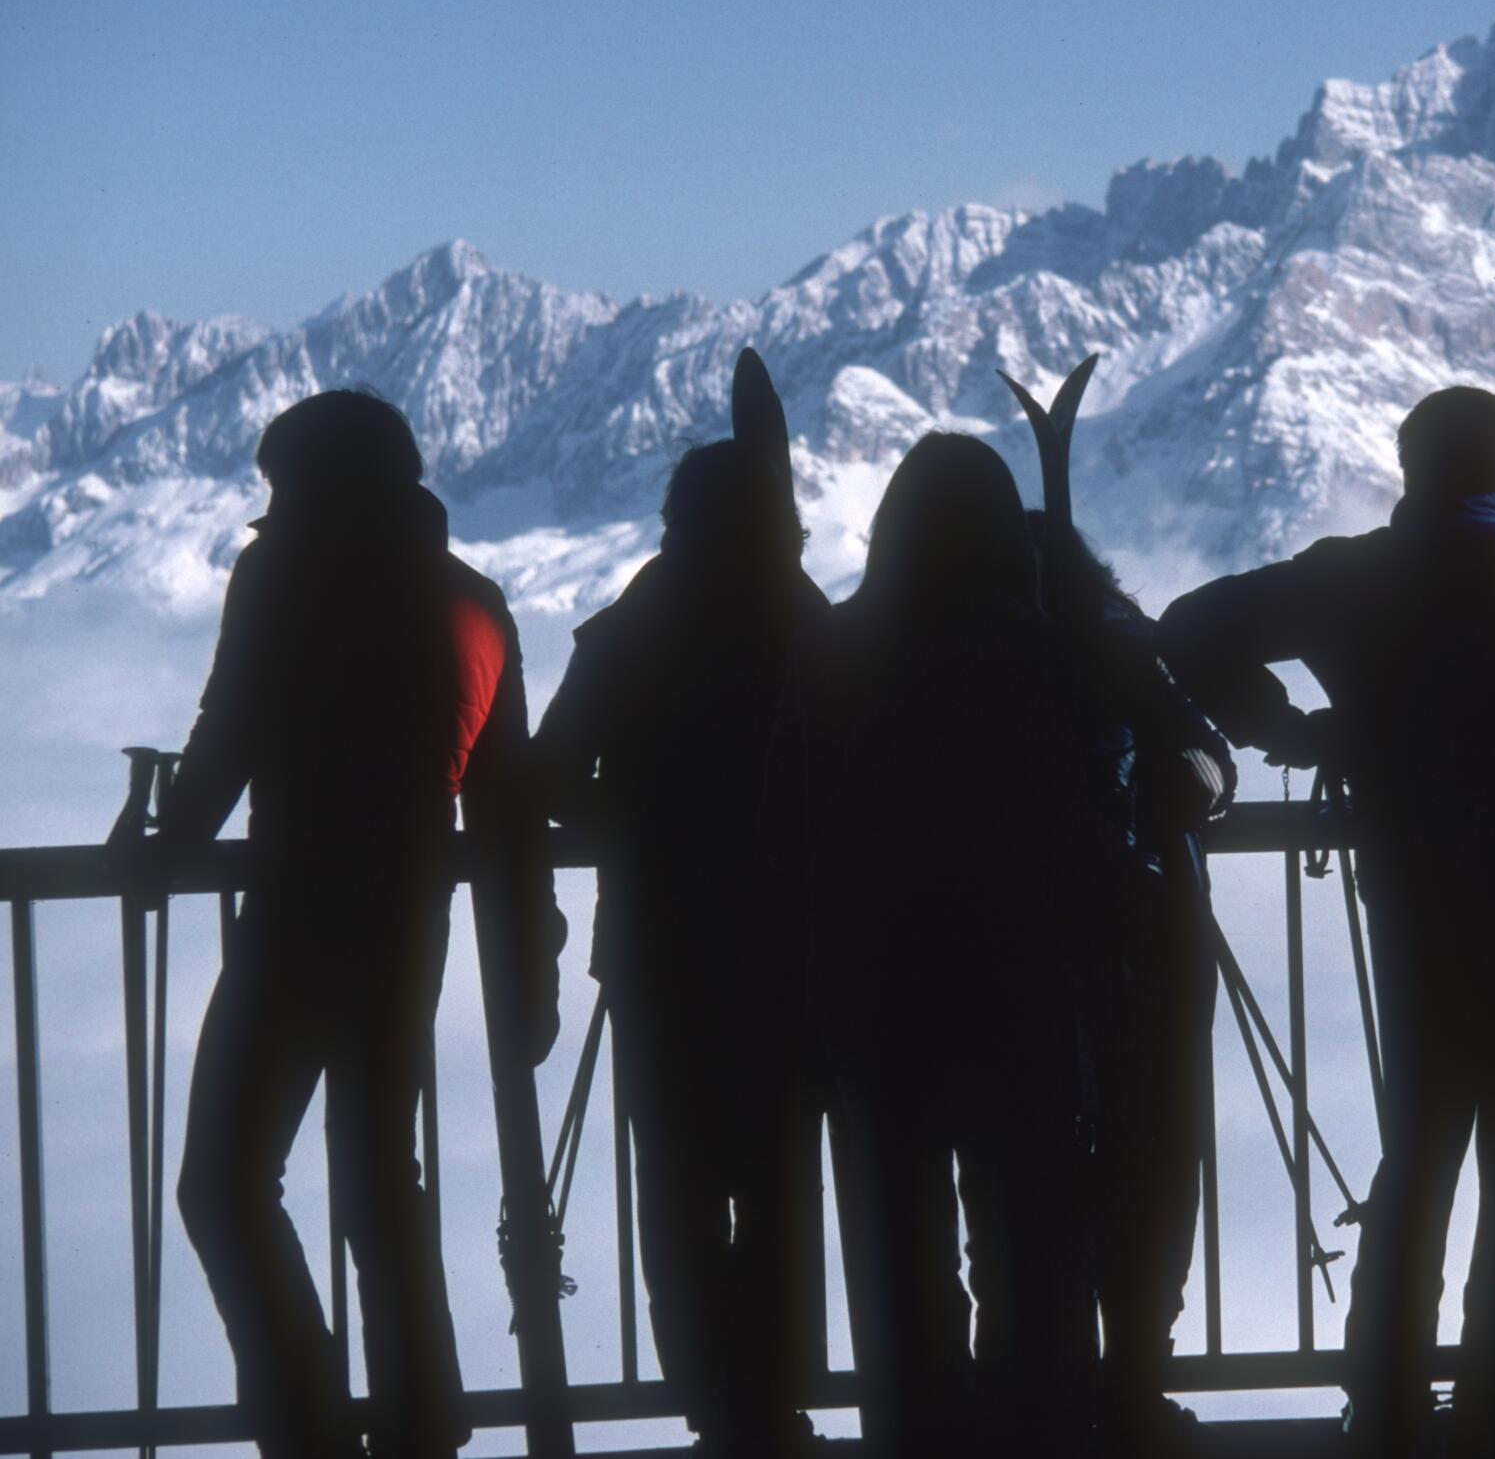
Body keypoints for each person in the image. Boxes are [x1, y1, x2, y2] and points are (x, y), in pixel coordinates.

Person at [1157, 385, 1495, 1457]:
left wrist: (1301, 733)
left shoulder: (1351, 580)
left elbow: (1188, 632)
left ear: (1409, 469)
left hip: (1416, 895)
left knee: (1421, 1144)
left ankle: (1385, 1400)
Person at [156, 389, 564, 1459]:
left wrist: (167, 840)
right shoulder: (475, 606)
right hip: (407, 921)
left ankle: (310, 1427)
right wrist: (531, 975)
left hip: (293, 916)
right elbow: (510, 806)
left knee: (224, 1180)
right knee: (382, 1182)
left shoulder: (283, 576)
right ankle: (424, 1426)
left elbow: (229, 722)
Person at [762, 433, 1099, 1457]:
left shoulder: (829, 647)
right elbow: (1073, 824)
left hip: (870, 990)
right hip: (1017, 984)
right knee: (1027, 1236)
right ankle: (1035, 1429)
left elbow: (783, 825)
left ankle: (915, 1432)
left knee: (897, 1241)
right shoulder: (1037, 652)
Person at [531, 351, 830, 1455]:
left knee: (679, 1191)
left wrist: (635, 814)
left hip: (661, 954)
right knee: (781, 1177)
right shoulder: (804, 620)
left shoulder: (635, 628)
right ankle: (779, 1399)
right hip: (795, 949)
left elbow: (554, 776)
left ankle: (719, 1409)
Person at [1030, 515, 1233, 1452]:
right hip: (1152, 943)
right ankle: (1139, 1380)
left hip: (1016, 955)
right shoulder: (1123, 642)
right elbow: (1207, 766)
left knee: (1033, 1174)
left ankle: (1051, 1391)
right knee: (1157, 1158)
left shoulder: (966, 655)